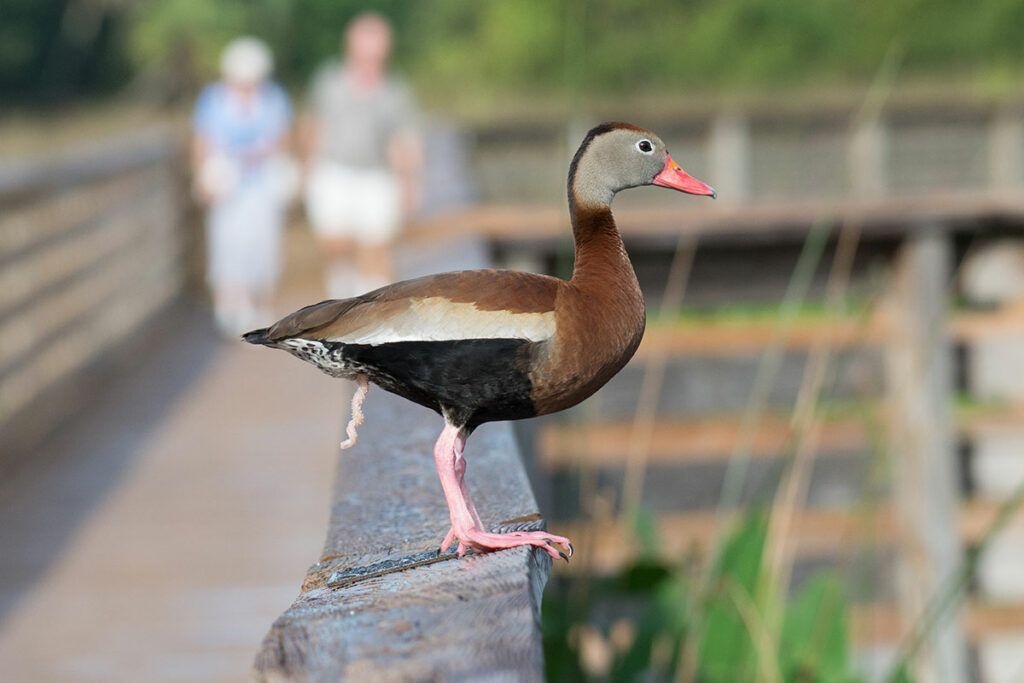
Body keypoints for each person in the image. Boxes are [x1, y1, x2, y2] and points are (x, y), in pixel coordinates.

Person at [301, 11, 423, 298]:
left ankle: (368, 301)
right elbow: (312, 124)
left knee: (376, 245)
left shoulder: (395, 90)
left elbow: (405, 139)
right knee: (333, 242)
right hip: (334, 170)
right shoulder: (329, 82)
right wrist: (306, 169)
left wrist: (410, 184)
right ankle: (341, 291)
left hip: (376, 175)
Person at [192, 37, 294, 337]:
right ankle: (230, 305)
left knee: (264, 245)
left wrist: (266, 154)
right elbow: (201, 140)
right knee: (226, 244)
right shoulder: (212, 98)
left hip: (263, 185)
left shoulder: (274, 97)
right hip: (225, 185)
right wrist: (202, 177)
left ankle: (262, 306)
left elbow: (284, 136)